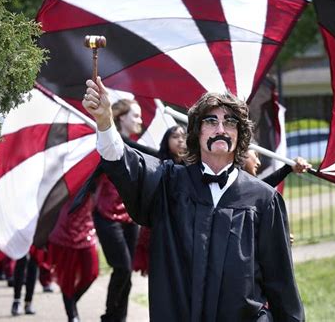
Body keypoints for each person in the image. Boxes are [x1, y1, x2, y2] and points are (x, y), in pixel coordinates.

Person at [83, 77, 304, 321]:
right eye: (211, 121)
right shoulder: (168, 184)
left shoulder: (264, 199)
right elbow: (122, 161)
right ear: (197, 133)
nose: (221, 129)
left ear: (239, 134)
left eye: (229, 122)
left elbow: (281, 282)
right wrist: (104, 121)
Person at [92, 98, 144, 322]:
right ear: (121, 117)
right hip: (106, 215)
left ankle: (118, 318)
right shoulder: (111, 141)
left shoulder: (134, 145)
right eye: (135, 116)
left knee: (127, 274)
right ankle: (110, 318)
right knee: (122, 268)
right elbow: (145, 151)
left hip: (129, 216)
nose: (140, 120)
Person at [133, 124, 187, 275]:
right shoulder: (157, 163)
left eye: (184, 137)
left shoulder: (192, 167)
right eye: (175, 137)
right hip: (159, 225)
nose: (180, 141)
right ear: (166, 140)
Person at [48, 196, 99, 322]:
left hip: (86, 229)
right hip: (66, 230)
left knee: (91, 273)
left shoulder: (93, 176)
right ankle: (72, 316)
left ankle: (72, 302)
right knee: (67, 279)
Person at [10, 250, 38, 316]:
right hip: (21, 240)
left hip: (35, 241)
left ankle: (29, 302)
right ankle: (16, 301)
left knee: (34, 262)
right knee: (21, 260)